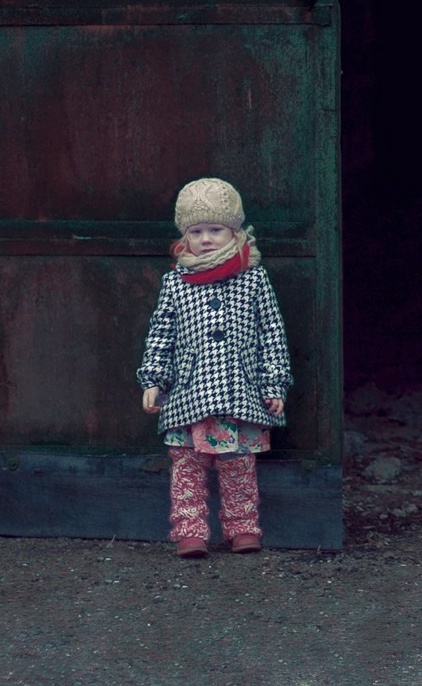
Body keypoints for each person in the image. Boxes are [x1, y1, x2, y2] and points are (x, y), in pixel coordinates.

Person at [137, 177, 292, 558]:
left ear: (235, 231)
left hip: (239, 393)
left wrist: (274, 384)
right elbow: (162, 333)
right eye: (197, 231)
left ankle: (242, 528)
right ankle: (190, 532)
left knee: (238, 466)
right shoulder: (176, 282)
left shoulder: (253, 278)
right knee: (187, 468)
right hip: (188, 394)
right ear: (185, 236)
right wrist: (153, 379)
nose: (206, 239)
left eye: (216, 230)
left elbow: (271, 332)